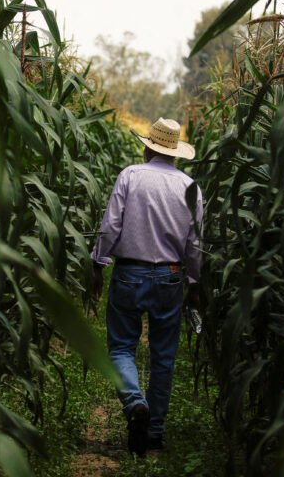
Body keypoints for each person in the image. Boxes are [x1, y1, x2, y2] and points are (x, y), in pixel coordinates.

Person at [90, 117, 203, 457]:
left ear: (147, 146)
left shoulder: (131, 176)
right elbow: (195, 243)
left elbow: (111, 226)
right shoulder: (189, 187)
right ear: (176, 153)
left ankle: (135, 403)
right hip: (169, 275)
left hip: (128, 274)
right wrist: (194, 283)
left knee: (122, 348)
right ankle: (153, 436)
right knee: (163, 358)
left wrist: (98, 263)